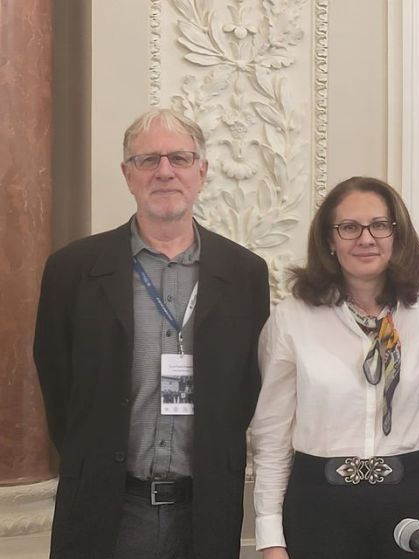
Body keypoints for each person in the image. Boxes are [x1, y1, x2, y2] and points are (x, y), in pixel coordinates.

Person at [33, 108, 270, 558]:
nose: (165, 171)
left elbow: (246, 389)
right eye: (148, 160)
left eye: (179, 158)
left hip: (204, 511)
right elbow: (58, 385)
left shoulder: (245, 274)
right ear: (128, 175)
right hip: (104, 507)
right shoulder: (72, 270)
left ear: (202, 171)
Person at [251, 177, 419, 558]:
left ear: (397, 235)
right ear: (329, 240)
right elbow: (271, 437)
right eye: (349, 227)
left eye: (380, 225)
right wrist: (271, 540)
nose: (366, 239)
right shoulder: (291, 319)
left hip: (414, 509)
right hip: (318, 508)